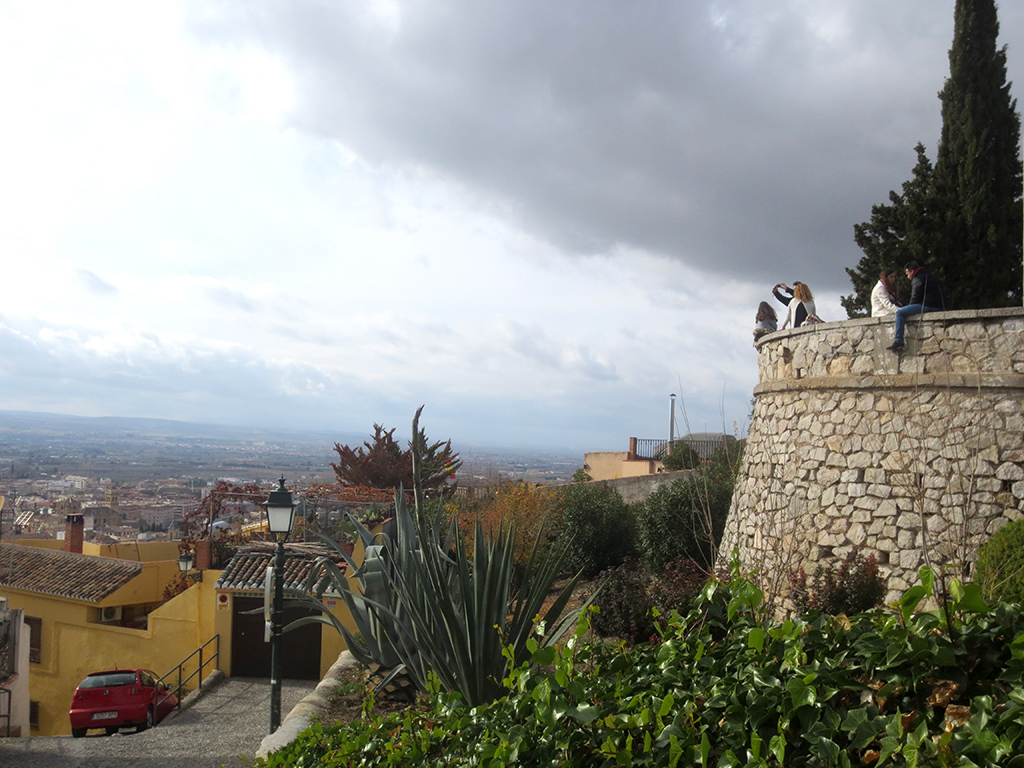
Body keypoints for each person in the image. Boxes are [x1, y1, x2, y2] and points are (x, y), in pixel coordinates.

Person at [887, 261, 946, 351]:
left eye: (907, 273)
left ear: (911, 271)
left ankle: (899, 341)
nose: (908, 277)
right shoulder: (930, 275)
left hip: (928, 305)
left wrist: (909, 309)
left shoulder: (917, 279)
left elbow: (915, 298)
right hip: (939, 306)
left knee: (900, 313)